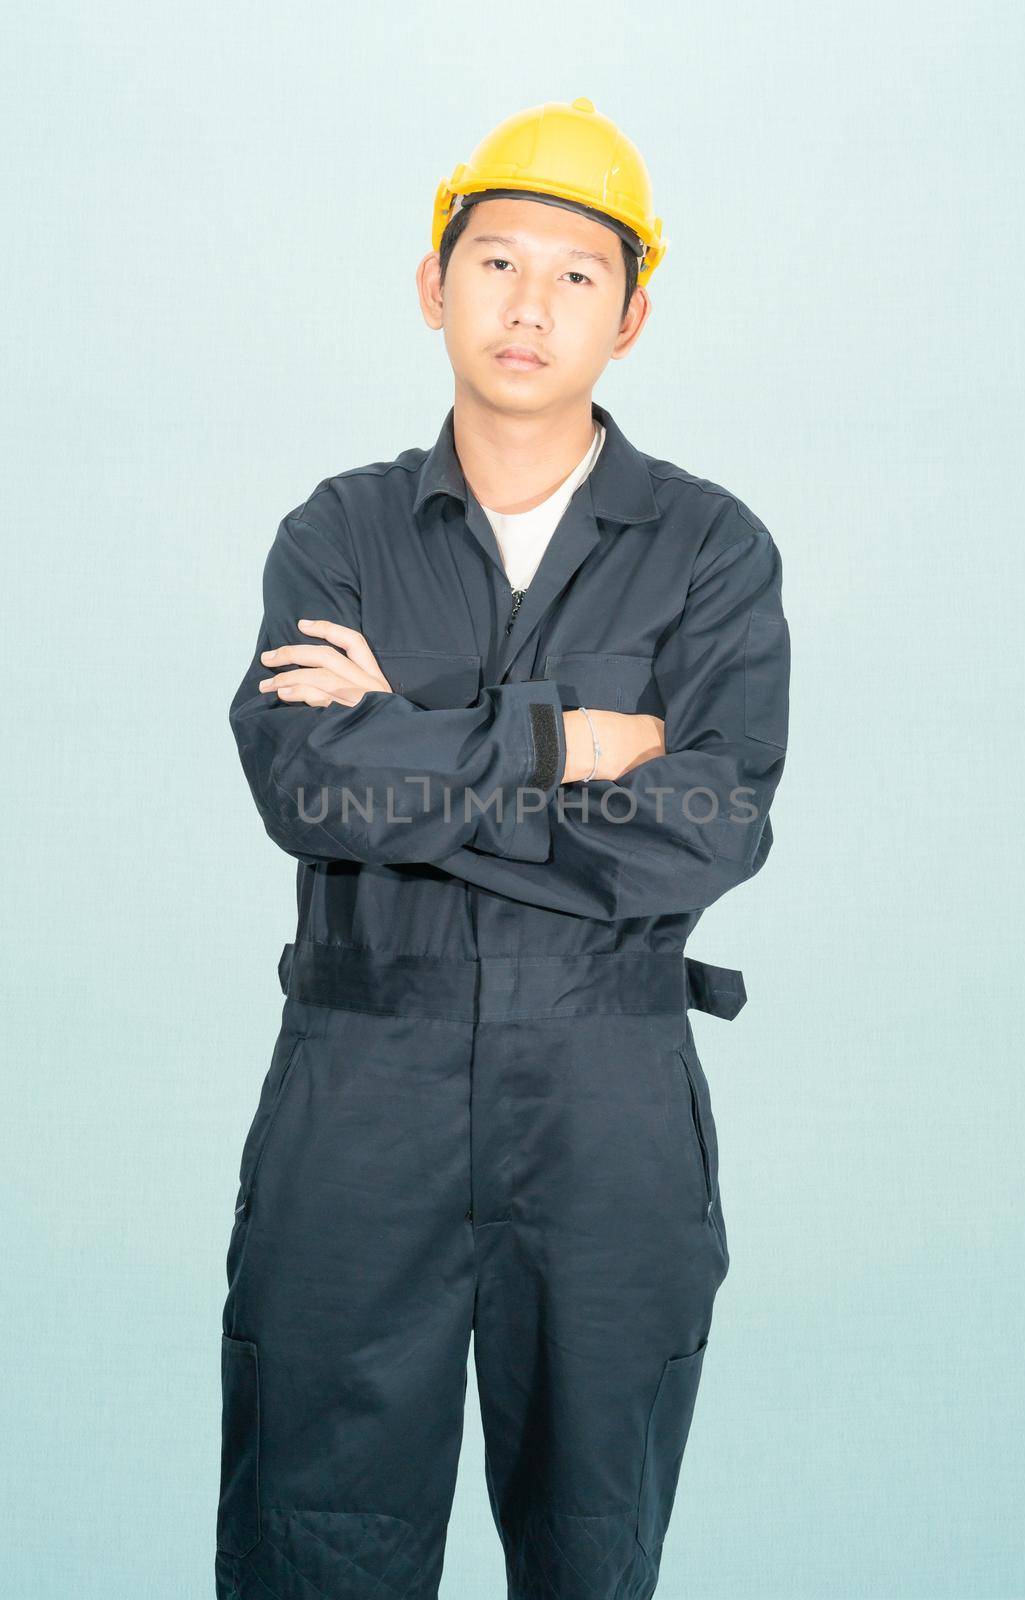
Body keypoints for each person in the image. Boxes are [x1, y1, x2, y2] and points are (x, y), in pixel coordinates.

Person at [215, 96, 791, 1600]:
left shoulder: (711, 552)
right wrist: (576, 746)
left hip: (606, 1112)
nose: (530, 305)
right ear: (434, 286)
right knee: (314, 1548)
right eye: (496, 263)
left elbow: (712, 826)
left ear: (634, 315)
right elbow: (308, 791)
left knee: (594, 1548)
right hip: (360, 1099)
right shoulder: (336, 536)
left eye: (576, 275)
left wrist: (407, 745)